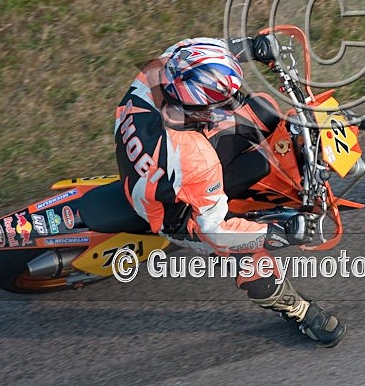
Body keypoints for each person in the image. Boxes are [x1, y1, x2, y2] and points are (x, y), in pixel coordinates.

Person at [113, 34, 346, 347]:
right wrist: (278, 232)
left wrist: (252, 46)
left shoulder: (161, 68)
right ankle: (297, 310)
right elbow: (217, 230)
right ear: (196, 107)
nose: (229, 104)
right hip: (175, 214)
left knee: (262, 108)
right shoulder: (196, 158)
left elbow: (211, 51)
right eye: (219, 103)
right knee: (253, 259)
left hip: (150, 154)